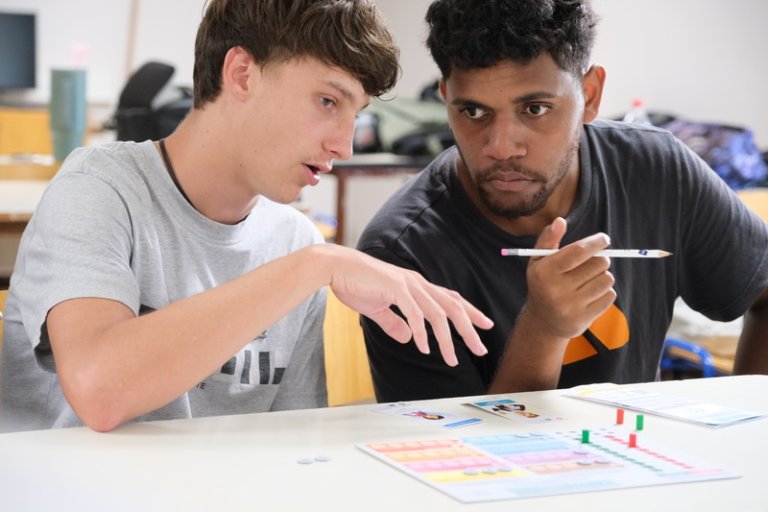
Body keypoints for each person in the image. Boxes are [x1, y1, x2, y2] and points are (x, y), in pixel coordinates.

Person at [0, 0, 494, 433]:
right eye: (327, 101)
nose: (344, 146)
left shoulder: (295, 241)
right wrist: (316, 266)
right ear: (241, 73)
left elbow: (291, 441)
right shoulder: (99, 188)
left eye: (356, 114)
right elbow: (100, 391)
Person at [357, 0, 768, 402]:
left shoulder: (655, 169)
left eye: (535, 109)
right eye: (473, 112)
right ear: (446, 98)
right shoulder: (401, 254)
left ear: (590, 95)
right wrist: (543, 330)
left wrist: (752, 421)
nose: (501, 147)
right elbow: (451, 443)